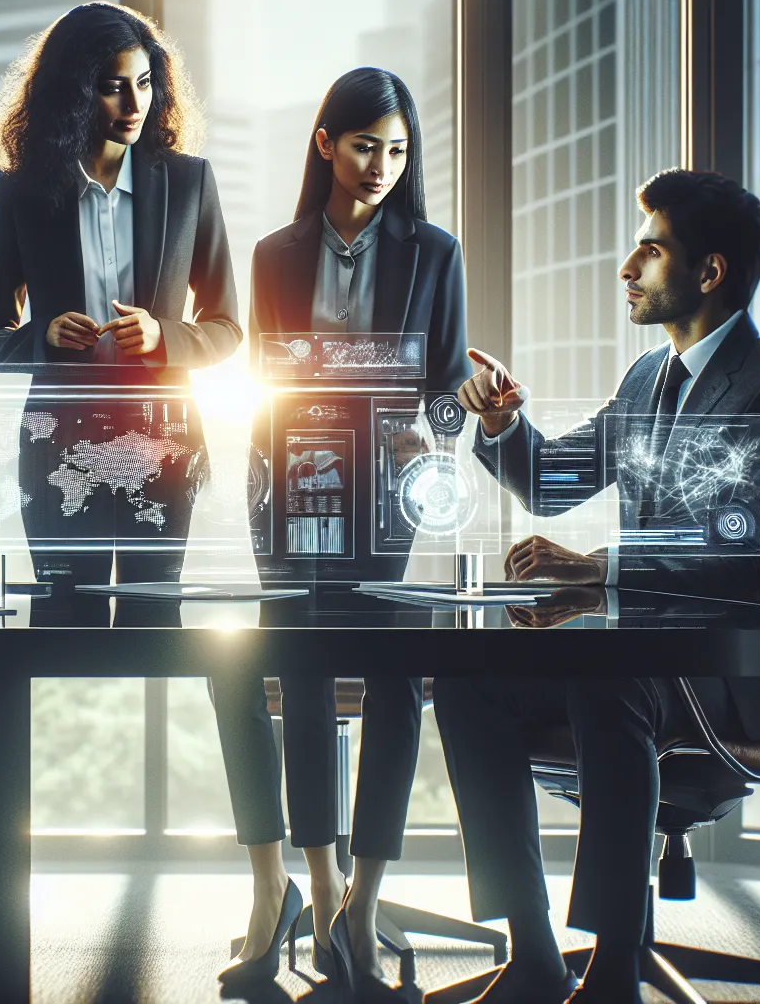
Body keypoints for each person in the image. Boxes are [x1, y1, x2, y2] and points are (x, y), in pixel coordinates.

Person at [436, 169, 760, 1003]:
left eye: (650, 248)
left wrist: (595, 567)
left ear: (708, 273)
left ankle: (612, 974)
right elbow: (551, 481)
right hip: (630, 659)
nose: (628, 267)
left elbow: (741, 562)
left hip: (721, 675)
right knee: (469, 678)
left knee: (607, 679)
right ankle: (533, 954)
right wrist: (501, 421)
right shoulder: (649, 379)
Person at [210, 68, 470, 1000]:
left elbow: (448, 394)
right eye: (365, 147)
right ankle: (314, 888)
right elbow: (264, 382)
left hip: (385, 491)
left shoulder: (434, 253)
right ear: (326, 143)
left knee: (395, 661)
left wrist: (427, 430)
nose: (381, 167)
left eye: (397, 151)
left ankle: (365, 898)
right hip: (287, 483)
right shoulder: (277, 253)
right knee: (304, 664)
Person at [0, 1, 238, 627]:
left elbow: (226, 327)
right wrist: (43, 336)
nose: (134, 103)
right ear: (72, 93)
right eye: (113, 87)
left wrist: (163, 335)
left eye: (144, 83)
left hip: (165, 443)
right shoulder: (22, 191)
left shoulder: (190, 182)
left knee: (154, 630)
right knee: (63, 631)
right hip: (60, 447)